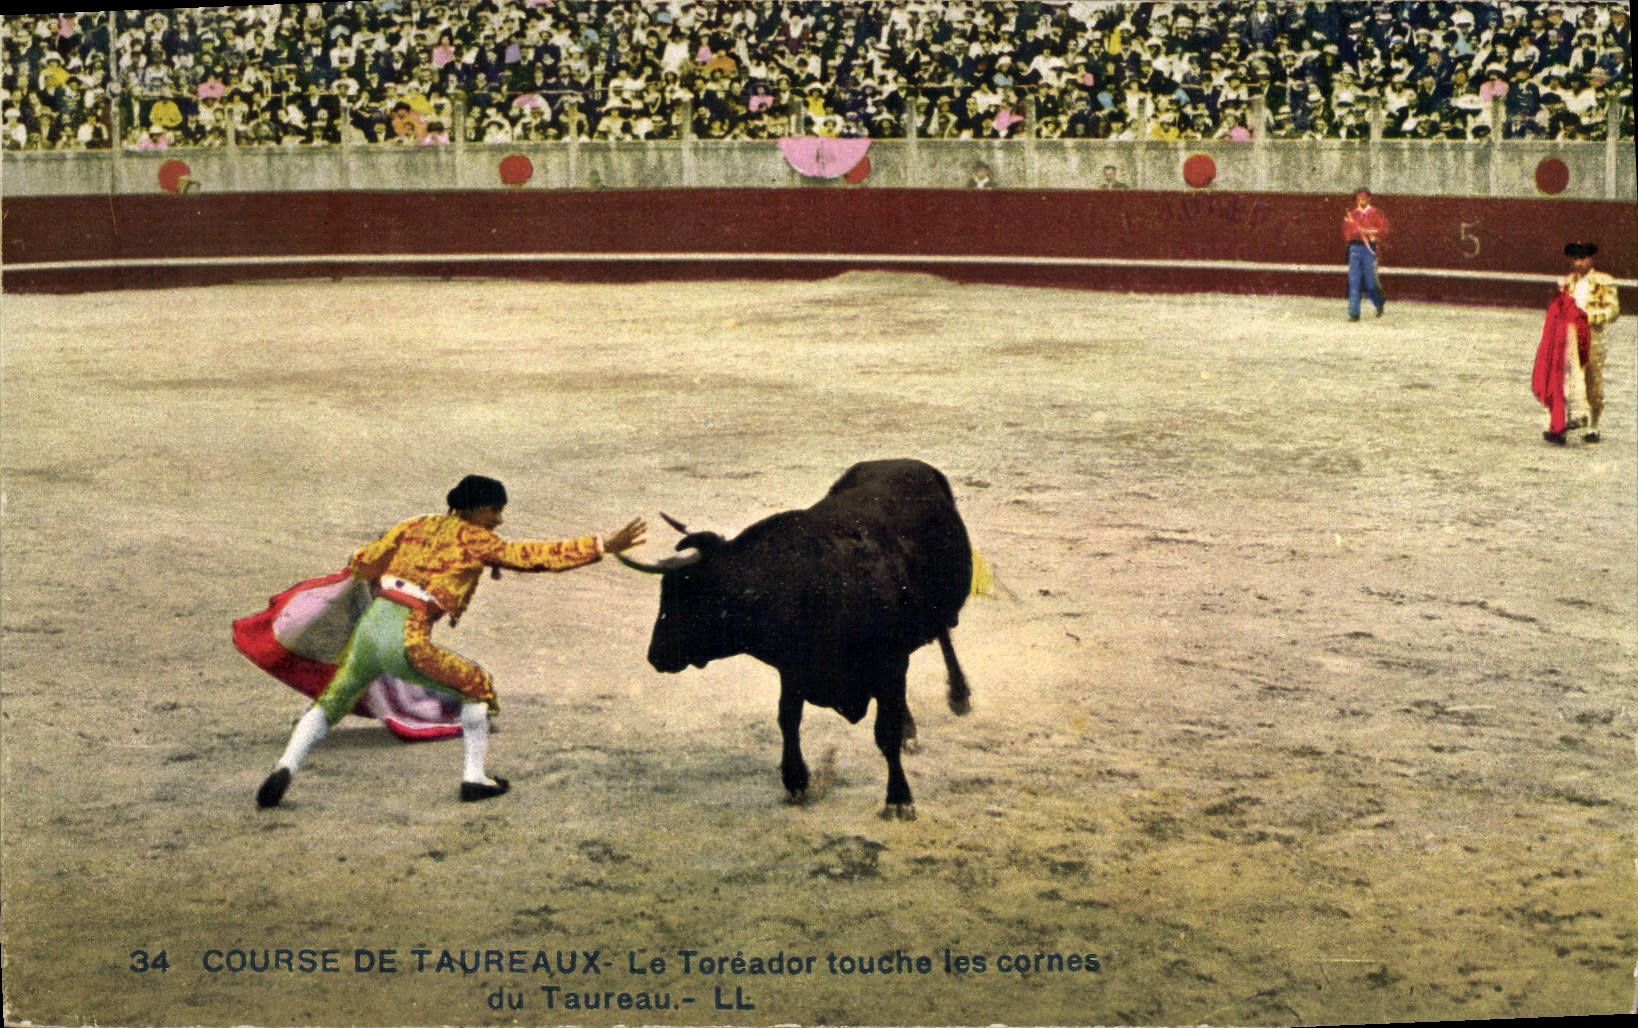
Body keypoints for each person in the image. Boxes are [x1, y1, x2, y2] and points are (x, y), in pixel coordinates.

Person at [256, 475, 645, 807]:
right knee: (475, 685)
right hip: (407, 634)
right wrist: (600, 546)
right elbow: (528, 556)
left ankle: (285, 766)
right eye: (495, 511)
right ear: (477, 510)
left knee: (333, 699)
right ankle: (474, 779)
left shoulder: (412, 525)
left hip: (370, 629)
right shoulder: (477, 539)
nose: (499, 520)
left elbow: (363, 562)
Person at [1534, 242, 1621, 445]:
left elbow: (1613, 311)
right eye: (1575, 259)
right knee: (1561, 380)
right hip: (1566, 337)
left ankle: (1593, 426)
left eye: (1582, 259)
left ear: (1591, 259)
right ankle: (1558, 426)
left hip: (1591, 337)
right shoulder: (1567, 282)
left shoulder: (1604, 282)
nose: (1578, 263)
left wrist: (1587, 318)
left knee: (1592, 382)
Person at [1341, 188, 1387, 321]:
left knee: (1370, 282)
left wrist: (1370, 231)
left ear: (1368, 199)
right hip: (1355, 248)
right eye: (1358, 197)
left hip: (1369, 249)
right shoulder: (1352, 214)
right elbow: (1347, 233)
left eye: (1363, 197)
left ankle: (1379, 302)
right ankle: (1354, 314)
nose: (1361, 200)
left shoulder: (1376, 213)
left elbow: (1383, 230)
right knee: (1354, 281)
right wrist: (1356, 232)